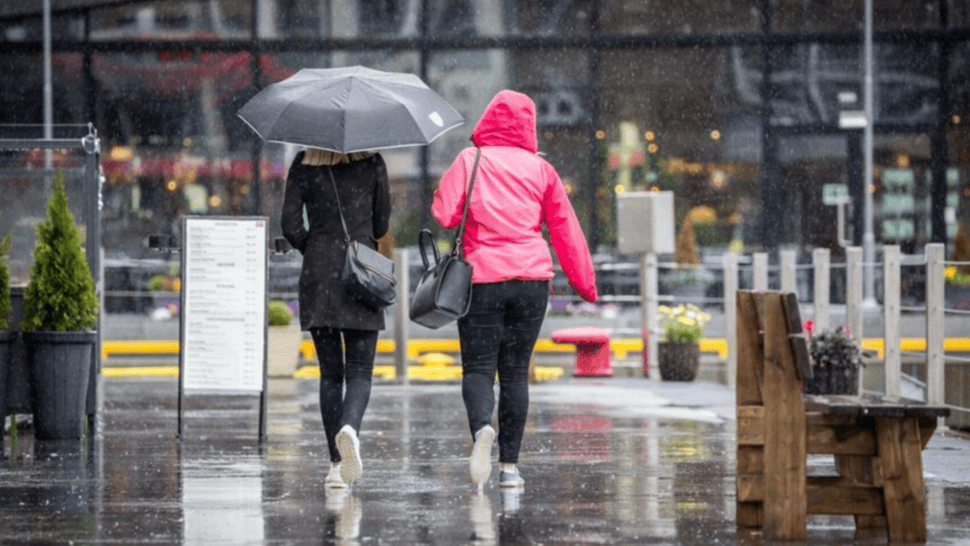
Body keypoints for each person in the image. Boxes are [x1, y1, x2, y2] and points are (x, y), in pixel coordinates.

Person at [432, 90, 598, 490]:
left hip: (483, 279)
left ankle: (480, 431)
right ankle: (509, 467)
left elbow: (444, 213)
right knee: (515, 374)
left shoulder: (470, 161)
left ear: (487, 120)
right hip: (531, 281)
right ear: (529, 126)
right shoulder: (542, 170)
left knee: (477, 368)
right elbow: (565, 230)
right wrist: (585, 284)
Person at [281, 147, 391, 489]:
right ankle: (350, 428)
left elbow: (290, 224)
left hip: (319, 274)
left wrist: (315, 246)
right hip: (361, 272)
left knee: (330, 374)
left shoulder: (304, 161)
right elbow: (381, 223)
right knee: (360, 371)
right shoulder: (371, 161)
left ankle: (334, 466)